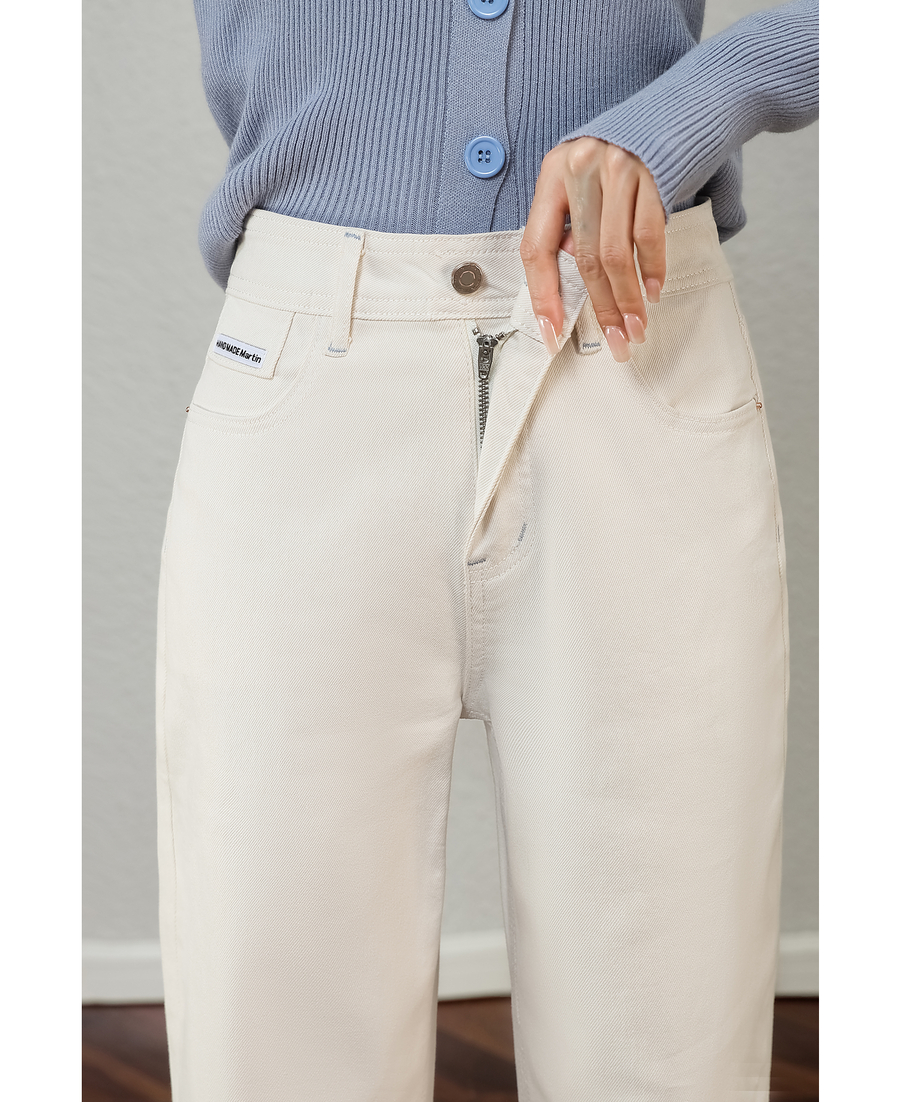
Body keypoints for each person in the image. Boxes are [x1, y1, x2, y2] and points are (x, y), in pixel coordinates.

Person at [156, 1, 818, 1098]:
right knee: (277, 1040)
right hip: (310, 381)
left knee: (665, 1041)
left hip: (633, 347)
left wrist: (705, 97)